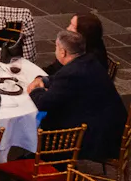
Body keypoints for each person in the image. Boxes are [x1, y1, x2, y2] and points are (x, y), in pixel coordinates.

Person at [28, 27, 128, 163]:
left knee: (45, 118)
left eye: (56, 47)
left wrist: (34, 90)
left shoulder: (72, 72)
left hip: (98, 137)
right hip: (111, 125)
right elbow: (60, 79)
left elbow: (43, 103)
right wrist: (43, 80)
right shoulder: (89, 60)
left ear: (63, 52)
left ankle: (47, 160)